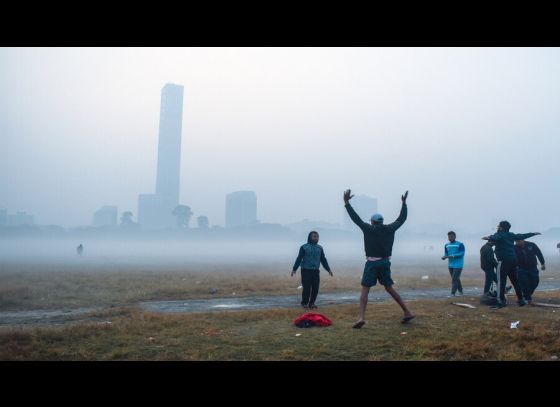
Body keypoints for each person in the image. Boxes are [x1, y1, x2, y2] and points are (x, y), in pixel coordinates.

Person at [344, 189, 414, 328]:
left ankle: (361, 318)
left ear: (372, 222)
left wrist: (346, 203)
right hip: (385, 262)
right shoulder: (390, 228)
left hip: (372, 263)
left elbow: (355, 218)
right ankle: (407, 312)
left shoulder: (368, 228)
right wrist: (404, 204)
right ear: (382, 221)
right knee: (389, 288)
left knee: (365, 289)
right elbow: (401, 219)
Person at [482, 221, 541, 309]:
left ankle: (500, 301)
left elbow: (495, 237)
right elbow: (522, 236)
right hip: (513, 260)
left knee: (501, 281)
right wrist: (533, 233)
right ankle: (521, 300)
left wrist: (488, 237)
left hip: (503, 260)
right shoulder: (511, 234)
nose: (497, 227)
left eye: (498, 226)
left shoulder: (500, 234)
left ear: (501, 227)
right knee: (515, 280)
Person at [291, 231, 333, 309]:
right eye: (314, 236)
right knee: (307, 288)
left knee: (315, 288)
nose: (316, 238)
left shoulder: (320, 248)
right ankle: (304, 303)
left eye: (317, 237)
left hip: (315, 271)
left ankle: (312, 303)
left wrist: (328, 269)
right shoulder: (304, 247)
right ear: (310, 237)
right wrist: (294, 269)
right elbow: (299, 258)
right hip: (306, 270)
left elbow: (323, 259)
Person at [515, 239, 545, 305]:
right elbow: (512, 258)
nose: (517, 243)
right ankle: (527, 298)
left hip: (532, 267)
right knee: (524, 284)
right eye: (516, 242)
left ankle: (525, 296)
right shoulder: (514, 248)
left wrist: (542, 263)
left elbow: (539, 253)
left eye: (518, 241)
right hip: (521, 268)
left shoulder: (531, 245)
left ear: (523, 240)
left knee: (535, 282)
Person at [441, 231, 465, 297]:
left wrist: (452, 256)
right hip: (450, 265)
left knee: (454, 279)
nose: (450, 238)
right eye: (449, 237)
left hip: (458, 265)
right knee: (456, 279)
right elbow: (446, 254)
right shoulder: (446, 245)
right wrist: (444, 257)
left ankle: (453, 293)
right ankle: (461, 291)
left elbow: (462, 253)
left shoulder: (460, 244)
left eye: (451, 236)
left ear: (455, 236)